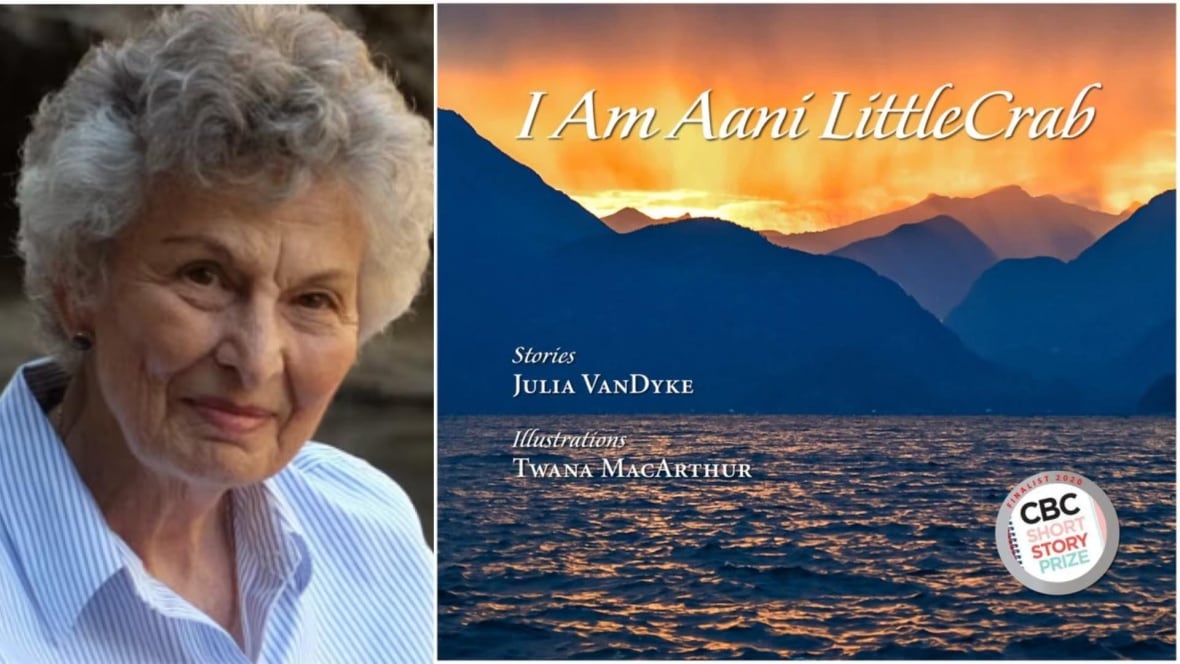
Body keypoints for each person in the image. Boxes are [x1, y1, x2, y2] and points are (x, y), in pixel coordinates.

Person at [0, 6, 434, 663]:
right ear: (78, 281)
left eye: (314, 300)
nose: (256, 359)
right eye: (204, 276)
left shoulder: (373, 532)